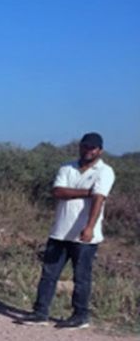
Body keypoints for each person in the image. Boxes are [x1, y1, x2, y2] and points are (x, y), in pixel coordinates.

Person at [21, 132, 115, 330]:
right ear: (80, 146)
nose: (88, 151)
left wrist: (89, 227)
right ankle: (40, 312)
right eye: (85, 146)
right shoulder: (67, 167)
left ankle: (80, 315)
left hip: (85, 235)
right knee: (49, 274)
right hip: (59, 232)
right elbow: (58, 192)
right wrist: (88, 192)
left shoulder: (104, 171)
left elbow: (99, 200)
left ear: (100, 150)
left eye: (93, 148)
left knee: (81, 277)